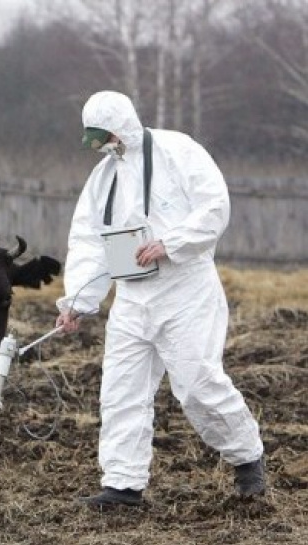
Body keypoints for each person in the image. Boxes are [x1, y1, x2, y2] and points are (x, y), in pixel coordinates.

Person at [55, 90, 266, 507]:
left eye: (107, 137)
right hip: (132, 298)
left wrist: (171, 242)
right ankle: (123, 485)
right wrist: (77, 300)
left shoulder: (178, 151)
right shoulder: (103, 178)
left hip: (185, 290)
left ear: (122, 127)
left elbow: (214, 207)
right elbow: (88, 242)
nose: (103, 146)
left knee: (198, 384)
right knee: (121, 390)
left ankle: (248, 460)